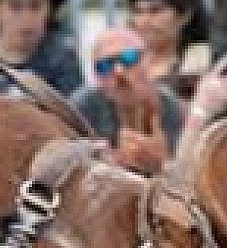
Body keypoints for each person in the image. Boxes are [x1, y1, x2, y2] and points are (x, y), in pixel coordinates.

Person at [70, 26, 185, 175]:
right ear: (97, 77)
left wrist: (162, 163)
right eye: (105, 65)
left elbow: (180, 170)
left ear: (148, 62)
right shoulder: (81, 108)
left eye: (128, 58)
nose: (118, 71)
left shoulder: (170, 107)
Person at [124, 0, 219, 98]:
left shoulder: (199, 60)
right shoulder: (126, 60)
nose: (144, 21)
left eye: (155, 10)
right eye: (138, 12)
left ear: (185, 15)